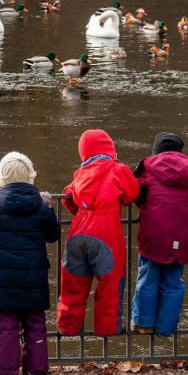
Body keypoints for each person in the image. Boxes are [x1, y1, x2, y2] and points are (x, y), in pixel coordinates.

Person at [0, 152, 60, 375]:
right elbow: (53, 235)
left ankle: (6, 373)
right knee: (36, 324)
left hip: (4, 277)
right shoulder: (40, 205)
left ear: (2, 177)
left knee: (6, 324)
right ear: (30, 176)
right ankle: (36, 372)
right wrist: (48, 209)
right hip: (34, 276)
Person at [57, 129, 140, 337]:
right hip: (106, 232)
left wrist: (79, 211)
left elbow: (66, 196)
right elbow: (132, 194)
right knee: (110, 284)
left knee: (72, 284)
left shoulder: (80, 173)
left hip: (78, 232)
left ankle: (67, 327)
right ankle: (107, 329)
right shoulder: (117, 169)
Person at [130, 132, 188, 336]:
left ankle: (144, 324)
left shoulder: (148, 168)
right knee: (174, 281)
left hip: (154, 232)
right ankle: (166, 328)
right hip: (181, 233)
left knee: (148, 278)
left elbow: (135, 192)